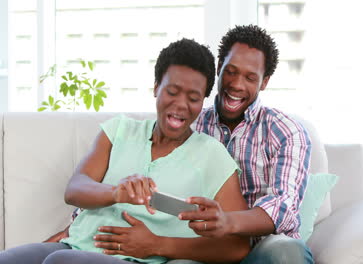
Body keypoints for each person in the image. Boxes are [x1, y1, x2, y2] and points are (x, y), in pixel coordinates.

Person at [47, 24, 314, 264]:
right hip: (199, 248)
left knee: (284, 252)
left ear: (265, 81)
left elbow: (283, 208)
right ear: (219, 67)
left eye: (250, 77)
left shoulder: (285, 132)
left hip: (258, 249)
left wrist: (227, 222)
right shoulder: (189, 121)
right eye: (230, 72)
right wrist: (81, 226)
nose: (236, 84)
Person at [0, 38, 250, 264]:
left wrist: (159, 245)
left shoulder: (213, 156)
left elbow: (237, 246)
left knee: (61, 262)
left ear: (203, 101)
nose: (181, 105)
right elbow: (75, 189)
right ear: (156, 88)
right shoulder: (119, 130)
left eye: (193, 98)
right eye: (172, 92)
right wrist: (116, 192)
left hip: (132, 261)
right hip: (73, 245)